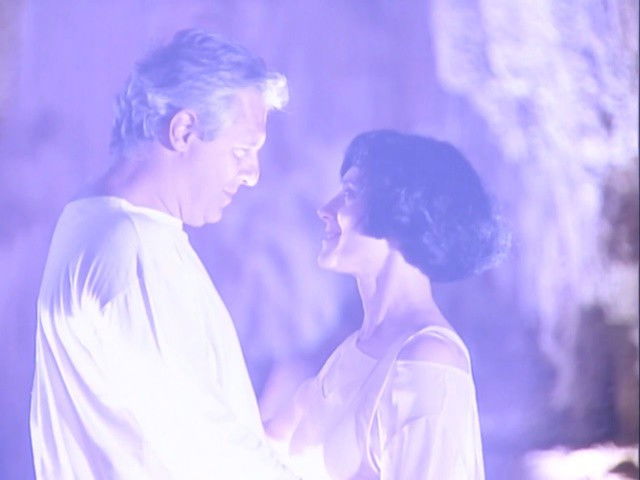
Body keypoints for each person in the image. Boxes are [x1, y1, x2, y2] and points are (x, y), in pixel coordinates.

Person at [30, 29, 298, 479]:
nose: (252, 174)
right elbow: (205, 450)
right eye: (240, 151)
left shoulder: (96, 224)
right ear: (184, 130)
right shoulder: (134, 248)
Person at [268, 130, 508, 479]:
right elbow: (263, 447)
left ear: (402, 216)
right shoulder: (353, 351)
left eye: (350, 194)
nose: (325, 209)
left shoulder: (428, 360)